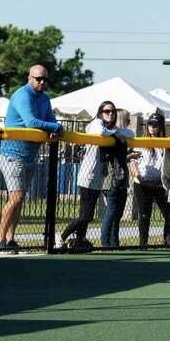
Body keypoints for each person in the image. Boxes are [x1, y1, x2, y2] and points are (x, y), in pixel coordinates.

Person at [0, 65, 63, 251]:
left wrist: (53, 128)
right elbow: (31, 122)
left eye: (45, 79)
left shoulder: (45, 98)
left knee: (19, 198)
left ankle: (10, 240)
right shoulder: (21, 95)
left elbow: (51, 120)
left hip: (30, 155)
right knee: (16, 197)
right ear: (29, 78)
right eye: (38, 78)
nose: (42, 82)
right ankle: (0, 239)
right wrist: (55, 129)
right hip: (12, 155)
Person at [56, 101, 127, 253]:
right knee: (87, 216)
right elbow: (100, 133)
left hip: (98, 178)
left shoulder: (110, 129)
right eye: (107, 111)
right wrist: (116, 133)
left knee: (86, 215)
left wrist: (117, 132)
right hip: (88, 176)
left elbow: (130, 134)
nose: (111, 114)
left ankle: (79, 241)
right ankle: (60, 237)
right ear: (100, 112)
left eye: (113, 112)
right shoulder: (96, 124)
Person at [131, 111, 170, 247]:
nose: (153, 127)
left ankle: (167, 240)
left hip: (160, 185)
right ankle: (143, 244)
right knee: (144, 215)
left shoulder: (166, 143)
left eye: (156, 125)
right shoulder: (141, 141)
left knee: (169, 214)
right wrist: (136, 173)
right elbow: (133, 162)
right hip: (142, 184)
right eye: (151, 124)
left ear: (161, 127)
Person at [100, 109, 135, 248]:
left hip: (121, 179)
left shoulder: (122, 136)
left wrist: (128, 156)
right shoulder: (110, 135)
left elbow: (130, 134)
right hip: (111, 180)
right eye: (127, 120)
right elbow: (110, 159)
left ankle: (114, 243)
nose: (129, 123)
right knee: (111, 212)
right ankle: (105, 244)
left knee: (118, 214)